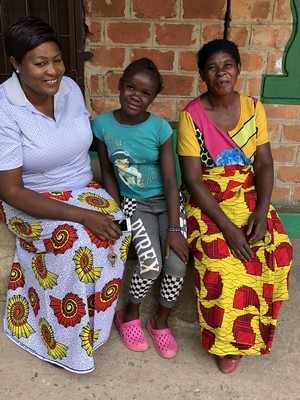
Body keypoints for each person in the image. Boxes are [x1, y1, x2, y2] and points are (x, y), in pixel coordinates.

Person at [0, 16, 131, 374]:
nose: (53, 70)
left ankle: (92, 330)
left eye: (56, 59)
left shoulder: (70, 88)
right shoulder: (5, 109)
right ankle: (62, 343)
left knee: (120, 228)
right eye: (40, 63)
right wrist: (83, 215)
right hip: (31, 196)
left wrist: (104, 197)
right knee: (76, 243)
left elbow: (87, 140)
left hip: (80, 186)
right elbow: (10, 190)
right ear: (16, 64)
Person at [177, 39, 293, 373]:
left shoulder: (254, 109)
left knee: (278, 249)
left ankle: (256, 327)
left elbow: (266, 165)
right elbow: (194, 181)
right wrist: (227, 228)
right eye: (212, 67)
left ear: (238, 69)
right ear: (202, 74)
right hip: (208, 199)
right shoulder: (191, 117)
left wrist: (262, 210)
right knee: (221, 258)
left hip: (247, 192)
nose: (221, 73)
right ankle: (225, 342)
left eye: (227, 65)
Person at [93, 58, 190, 359]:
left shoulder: (160, 129)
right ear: (120, 85)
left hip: (168, 202)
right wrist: (116, 209)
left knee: (176, 264)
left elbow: (172, 182)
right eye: (131, 87)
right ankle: (130, 314)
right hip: (134, 203)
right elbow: (107, 170)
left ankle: (160, 321)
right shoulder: (102, 125)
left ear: (153, 98)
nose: (136, 95)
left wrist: (175, 229)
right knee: (150, 264)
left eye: (145, 93)